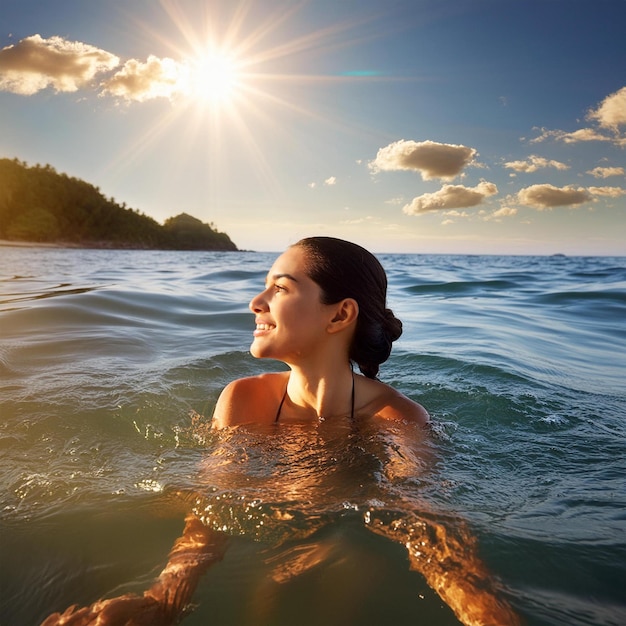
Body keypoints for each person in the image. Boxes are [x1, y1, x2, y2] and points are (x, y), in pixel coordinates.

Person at [42, 237, 519, 626]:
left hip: (348, 553)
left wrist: (485, 614)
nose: (256, 302)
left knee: (327, 580)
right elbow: (214, 505)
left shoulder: (398, 419)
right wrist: (163, 599)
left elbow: (425, 526)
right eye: (263, 287)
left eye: (281, 288)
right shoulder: (242, 399)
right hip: (279, 540)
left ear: (340, 315)